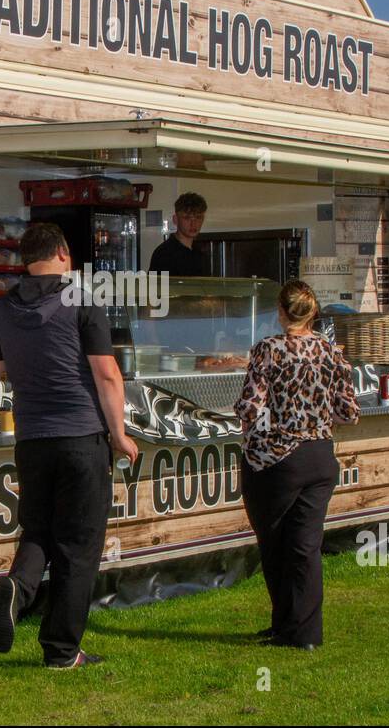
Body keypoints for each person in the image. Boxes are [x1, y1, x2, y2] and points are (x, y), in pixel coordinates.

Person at [0, 223, 140, 669]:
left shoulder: (3, 310)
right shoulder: (81, 300)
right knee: (78, 546)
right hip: (81, 439)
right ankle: (61, 651)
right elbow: (107, 374)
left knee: (39, 530)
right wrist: (119, 434)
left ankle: (17, 589)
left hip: (32, 442)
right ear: (62, 253)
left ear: (26, 258)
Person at [234, 280, 360, 650]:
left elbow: (249, 408)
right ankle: (302, 632)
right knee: (305, 547)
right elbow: (348, 411)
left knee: (274, 544)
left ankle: (286, 625)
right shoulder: (330, 350)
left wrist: (263, 423)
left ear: (280, 310)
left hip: (276, 459)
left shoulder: (267, 350)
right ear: (313, 312)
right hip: (320, 455)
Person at [148, 192, 209, 276]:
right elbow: (155, 288)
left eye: (198, 217)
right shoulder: (164, 254)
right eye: (187, 218)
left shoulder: (200, 252)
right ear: (175, 219)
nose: (193, 224)